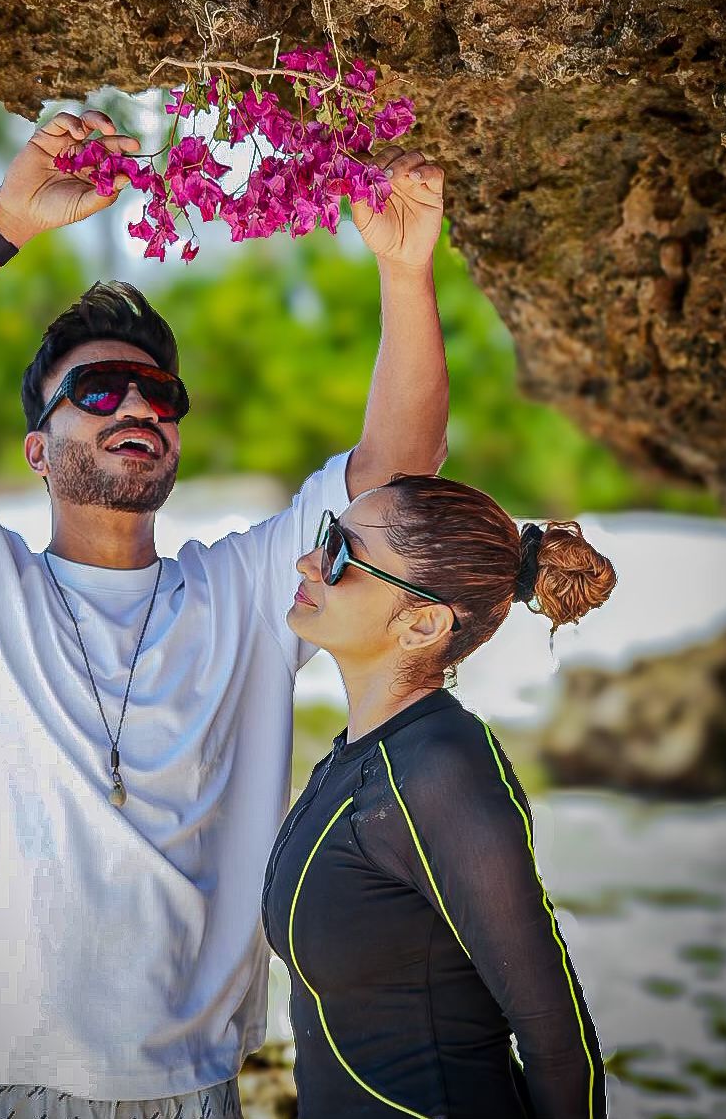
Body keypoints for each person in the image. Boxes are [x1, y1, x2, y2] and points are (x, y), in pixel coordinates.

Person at [0, 107, 451, 1119]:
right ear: (36, 447)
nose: (138, 407)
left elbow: (395, 480)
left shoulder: (242, 593)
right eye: (99, 388)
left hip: (189, 1093)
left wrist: (406, 273)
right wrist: (4, 224)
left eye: (160, 392)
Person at [263, 476, 617, 1119]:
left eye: (340, 551)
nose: (309, 561)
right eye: (324, 536)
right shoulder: (365, 752)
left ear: (422, 623)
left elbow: (558, 1039)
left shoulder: (441, 771)